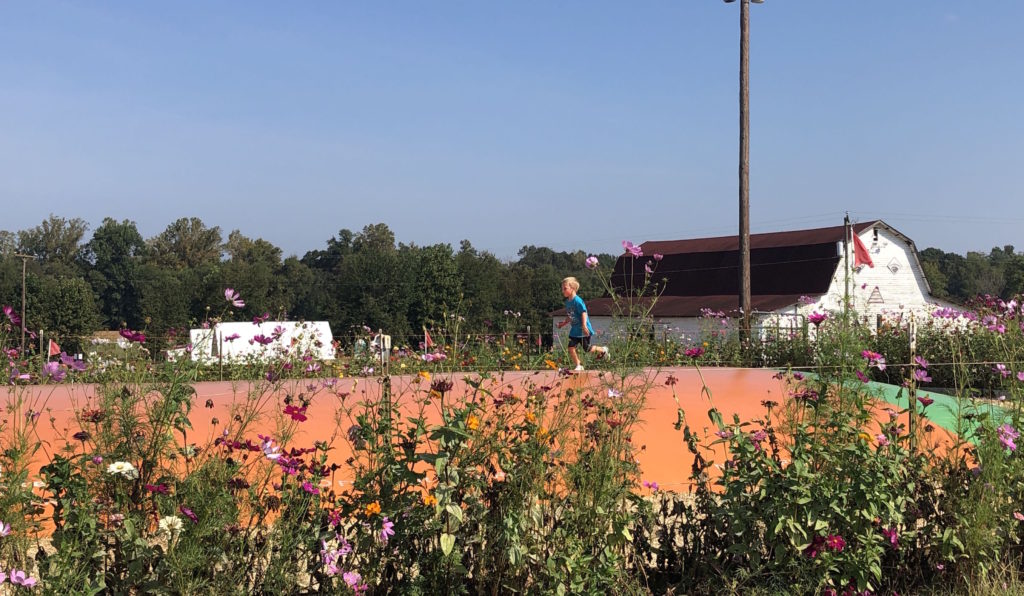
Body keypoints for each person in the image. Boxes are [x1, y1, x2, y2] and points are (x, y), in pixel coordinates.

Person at [557, 277, 609, 372]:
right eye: (562, 289)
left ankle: (603, 349)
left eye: (565, 288)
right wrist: (563, 323)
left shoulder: (577, 301)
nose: (562, 291)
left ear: (572, 288)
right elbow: (570, 316)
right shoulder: (568, 302)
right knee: (571, 347)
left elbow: (583, 313)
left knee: (587, 348)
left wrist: (584, 325)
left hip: (583, 330)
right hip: (575, 330)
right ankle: (578, 364)